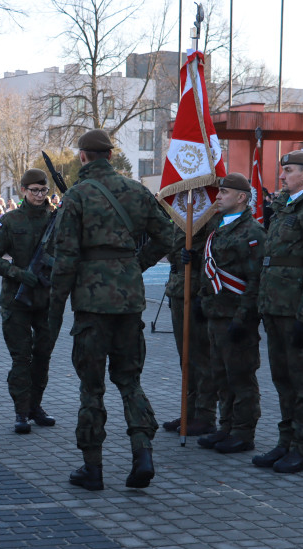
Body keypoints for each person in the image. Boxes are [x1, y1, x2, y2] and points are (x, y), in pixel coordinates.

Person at [48, 128, 173, 491]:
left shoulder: (77, 196)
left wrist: (55, 306)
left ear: (84, 156)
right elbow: (169, 237)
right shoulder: (136, 190)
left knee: (92, 387)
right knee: (130, 380)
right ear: (110, 155)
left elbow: (65, 259)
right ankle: (143, 453)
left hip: (91, 306)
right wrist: (135, 264)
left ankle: (93, 468)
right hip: (130, 302)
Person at [253, 150, 303, 474]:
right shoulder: (284, 205)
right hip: (275, 307)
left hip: (296, 312)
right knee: (282, 380)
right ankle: (285, 442)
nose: (282, 176)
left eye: (288, 171)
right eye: (282, 170)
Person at [193, 173, 266, 454]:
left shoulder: (253, 232)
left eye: (223, 192)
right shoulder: (218, 229)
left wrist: (243, 318)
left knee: (241, 377)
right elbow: (208, 270)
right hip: (216, 315)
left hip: (237, 318)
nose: (218, 197)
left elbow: (256, 280)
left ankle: (243, 432)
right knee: (220, 375)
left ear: (241, 197)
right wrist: (202, 300)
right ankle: (225, 427)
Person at [0, 168, 58, 433]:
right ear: (23, 190)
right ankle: (21, 412)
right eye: (34, 190)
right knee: (21, 358)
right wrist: (17, 273)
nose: (39, 195)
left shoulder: (55, 220)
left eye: (43, 190)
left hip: (46, 300)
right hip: (16, 300)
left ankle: (36, 406)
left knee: (43, 357)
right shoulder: (11, 221)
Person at [160, 216, 222, 439]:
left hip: (196, 289)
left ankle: (205, 416)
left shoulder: (208, 213)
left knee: (200, 357)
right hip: (178, 288)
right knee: (185, 357)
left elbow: (215, 249)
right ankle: (189, 411)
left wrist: (197, 260)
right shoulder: (180, 211)